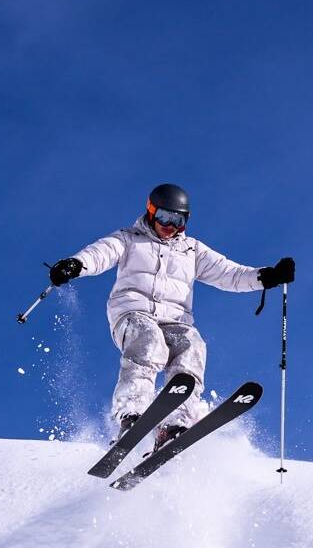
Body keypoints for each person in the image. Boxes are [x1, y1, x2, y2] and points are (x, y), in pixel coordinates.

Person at [49, 183, 294, 448]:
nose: (170, 225)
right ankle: (132, 414)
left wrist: (266, 277)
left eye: (178, 220)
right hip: (133, 314)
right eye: (165, 217)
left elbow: (230, 274)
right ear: (151, 212)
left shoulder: (192, 251)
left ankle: (176, 424)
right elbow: (99, 254)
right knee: (149, 341)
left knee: (192, 345)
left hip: (175, 320)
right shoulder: (128, 239)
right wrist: (75, 265)